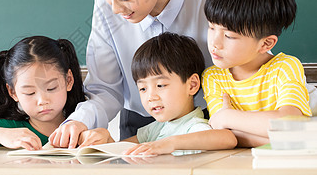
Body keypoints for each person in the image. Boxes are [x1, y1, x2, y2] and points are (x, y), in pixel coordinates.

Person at [50, 0, 218, 148]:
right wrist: (79, 121)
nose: (116, 9)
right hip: (140, 126)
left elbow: (255, 62)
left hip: (208, 123)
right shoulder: (104, 8)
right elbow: (105, 88)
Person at [202, 0, 312, 148]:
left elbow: (291, 124)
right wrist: (278, 136)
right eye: (211, 27)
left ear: (266, 44)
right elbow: (223, 134)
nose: (215, 43)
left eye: (229, 36)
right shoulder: (214, 77)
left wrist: (228, 116)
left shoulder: (285, 67)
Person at [84, 32, 237, 155]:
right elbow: (123, 149)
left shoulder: (195, 126)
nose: (151, 97)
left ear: (192, 85)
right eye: (143, 89)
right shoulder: (157, 128)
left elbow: (227, 138)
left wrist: (169, 143)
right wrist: (105, 138)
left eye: (160, 85)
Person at [0, 36, 87, 150]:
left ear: (68, 80)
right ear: (13, 92)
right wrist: (0, 135)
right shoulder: (13, 130)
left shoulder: (85, 122)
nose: (42, 100)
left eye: (51, 88)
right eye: (29, 92)